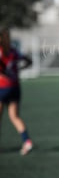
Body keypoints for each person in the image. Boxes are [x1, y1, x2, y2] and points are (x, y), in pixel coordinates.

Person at [0, 27, 33, 155]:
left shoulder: (1, 51)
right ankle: (27, 142)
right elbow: (29, 61)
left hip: (2, 87)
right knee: (14, 116)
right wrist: (18, 70)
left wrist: (4, 75)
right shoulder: (14, 51)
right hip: (15, 87)